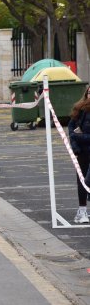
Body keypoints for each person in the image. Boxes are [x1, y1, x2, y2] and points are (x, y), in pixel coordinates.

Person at [68, 86, 90, 224]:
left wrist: (79, 137)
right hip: (83, 152)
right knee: (82, 181)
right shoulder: (80, 109)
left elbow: (78, 135)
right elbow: (71, 129)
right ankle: (82, 211)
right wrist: (75, 146)